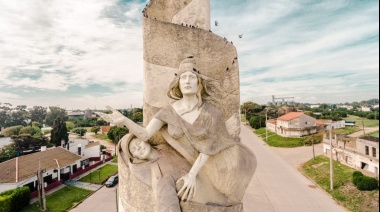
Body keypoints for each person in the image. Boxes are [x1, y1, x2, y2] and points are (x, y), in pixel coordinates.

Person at [98, 56, 256, 206]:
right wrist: (125, 121)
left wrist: (192, 175)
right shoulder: (168, 111)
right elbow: (145, 134)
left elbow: (209, 147)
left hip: (211, 168)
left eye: (191, 77)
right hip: (179, 166)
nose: (187, 81)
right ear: (178, 83)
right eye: (183, 78)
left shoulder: (212, 113)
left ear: (199, 83)